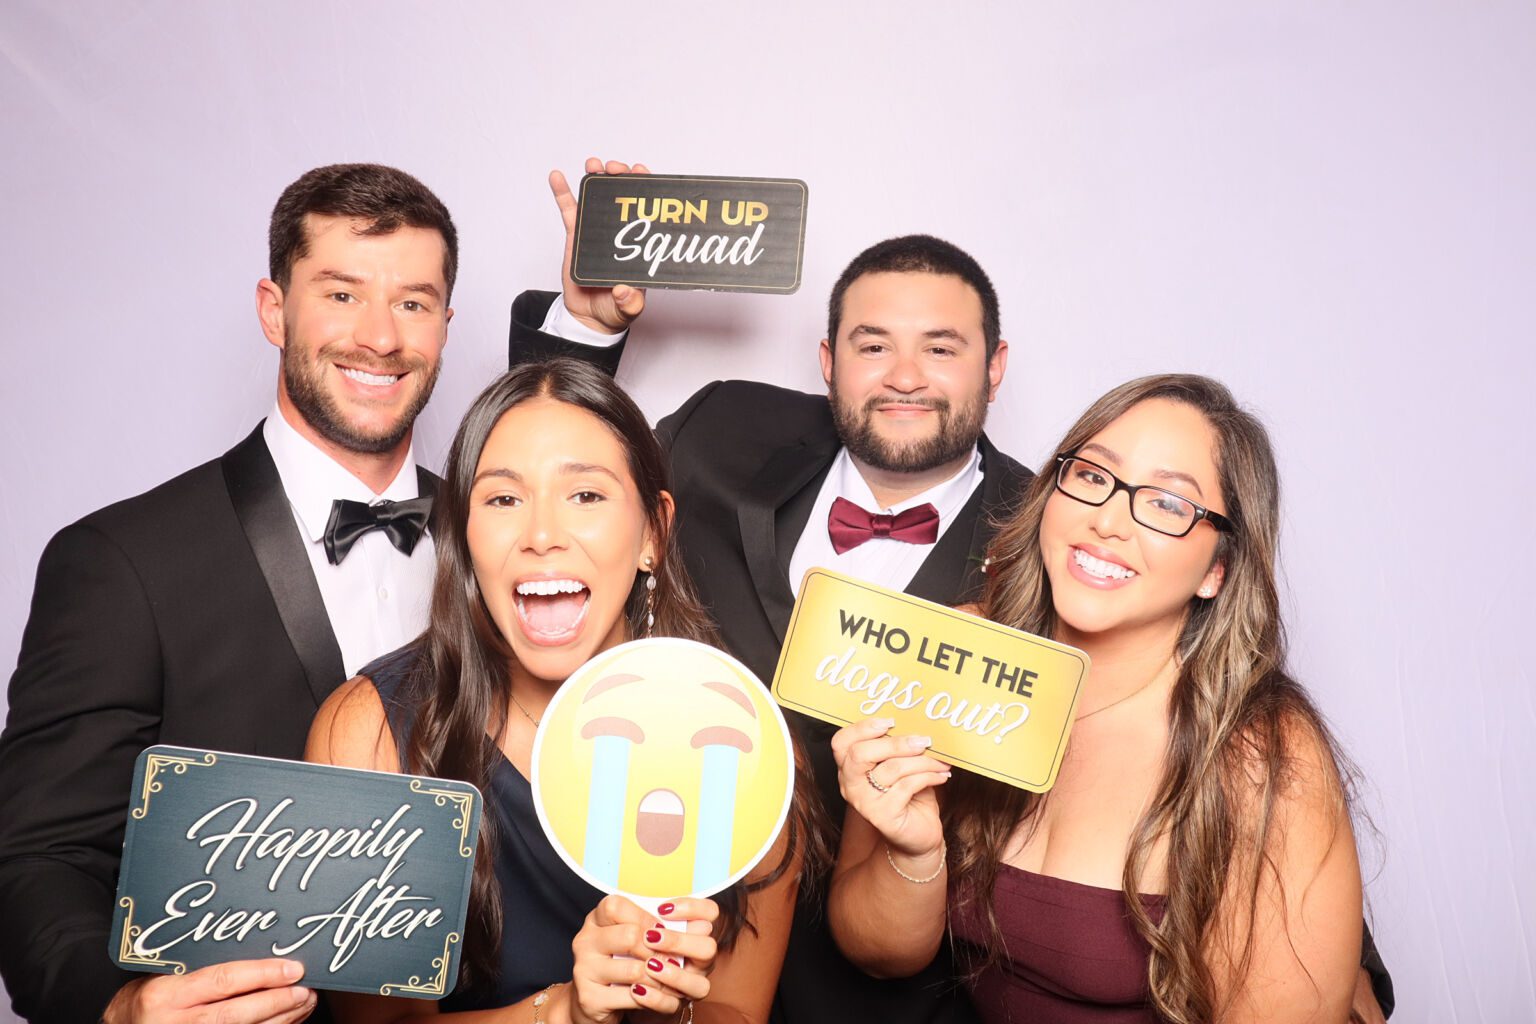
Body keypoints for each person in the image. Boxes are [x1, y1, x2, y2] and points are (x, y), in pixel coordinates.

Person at [509, 159, 1033, 1024]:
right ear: (827, 360)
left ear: (995, 365)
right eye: (873, 345)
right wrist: (585, 325)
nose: (904, 375)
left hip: (884, 997)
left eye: (940, 348)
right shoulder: (725, 427)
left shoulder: (1045, 547)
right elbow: (566, 480)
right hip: (669, 957)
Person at [0, 163, 457, 1024]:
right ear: (273, 309)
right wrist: (121, 1010)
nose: (382, 337)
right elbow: (39, 857)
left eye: (414, 302)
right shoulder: (121, 560)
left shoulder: (493, 540)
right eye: (342, 293)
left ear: (444, 324)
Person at [829, 374, 1368, 1023]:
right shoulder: (959, 654)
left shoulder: (1261, 755)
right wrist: (912, 849)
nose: (1108, 521)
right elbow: (878, 953)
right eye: (1091, 476)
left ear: (1217, 570)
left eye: (1169, 503)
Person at [306, 359, 812, 1023]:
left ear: (653, 535)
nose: (542, 536)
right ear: (462, 533)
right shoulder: (369, 731)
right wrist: (563, 1014)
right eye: (503, 500)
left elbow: (737, 1012)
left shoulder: (746, 739)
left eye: (587, 496)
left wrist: (662, 1006)